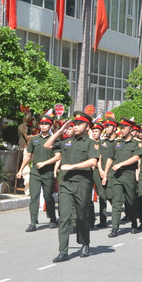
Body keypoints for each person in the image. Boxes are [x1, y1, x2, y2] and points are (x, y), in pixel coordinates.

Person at [43, 112, 98, 263]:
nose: (76, 126)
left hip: (82, 183)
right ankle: (63, 251)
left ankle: (85, 243)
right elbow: (47, 145)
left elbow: (93, 161)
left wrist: (73, 166)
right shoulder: (67, 141)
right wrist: (61, 130)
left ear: (87, 126)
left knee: (81, 217)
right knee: (64, 218)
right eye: (75, 124)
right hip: (66, 184)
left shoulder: (90, 143)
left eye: (80, 124)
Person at [17, 114, 60, 232]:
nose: (44, 126)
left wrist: (45, 163)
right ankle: (33, 222)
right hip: (35, 172)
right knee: (34, 197)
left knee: (48, 196)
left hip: (48, 172)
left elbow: (58, 156)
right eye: (42, 124)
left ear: (51, 126)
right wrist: (20, 170)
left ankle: (52, 218)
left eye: (46, 124)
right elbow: (28, 155)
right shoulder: (34, 139)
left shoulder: (54, 140)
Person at [103, 117, 142, 237]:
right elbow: (110, 158)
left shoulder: (136, 143)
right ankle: (115, 228)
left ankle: (134, 221)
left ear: (130, 129)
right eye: (121, 128)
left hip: (129, 175)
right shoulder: (116, 143)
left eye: (124, 128)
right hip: (116, 176)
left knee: (131, 201)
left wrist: (121, 164)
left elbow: (136, 157)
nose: (122, 130)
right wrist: (105, 174)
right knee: (116, 201)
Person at [88, 121, 108, 228]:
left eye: (97, 131)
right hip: (89, 170)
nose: (94, 133)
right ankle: (91, 220)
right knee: (87, 195)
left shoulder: (104, 144)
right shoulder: (89, 143)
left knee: (102, 195)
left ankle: (103, 219)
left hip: (99, 171)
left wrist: (102, 170)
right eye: (93, 131)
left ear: (101, 132)